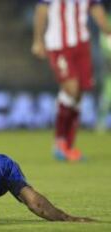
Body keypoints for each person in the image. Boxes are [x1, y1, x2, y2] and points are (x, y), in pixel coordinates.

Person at [31, 0, 111, 161]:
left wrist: (108, 32)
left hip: (82, 44)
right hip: (59, 44)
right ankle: (60, 142)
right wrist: (38, 40)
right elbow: (41, 10)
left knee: (78, 94)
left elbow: (96, 10)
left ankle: (67, 145)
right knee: (72, 89)